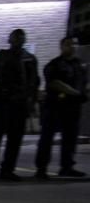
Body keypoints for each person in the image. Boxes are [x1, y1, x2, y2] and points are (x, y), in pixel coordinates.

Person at [0, 29, 40, 182]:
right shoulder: (1, 56)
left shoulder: (30, 59)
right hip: (0, 103)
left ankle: (7, 170)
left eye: (21, 38)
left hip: (19, 104)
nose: (18, 41)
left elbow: (34, 83)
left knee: (15, 141)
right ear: (9, 40)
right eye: (15, 38)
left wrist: (31, 101)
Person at [36, 36, 87, 180]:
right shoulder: (55, 64)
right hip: (55, 107)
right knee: (47, 138)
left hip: (73, 108)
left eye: (75, 44)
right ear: (62, 46)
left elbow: (84, 83)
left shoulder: (80, 65)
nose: (73, 47)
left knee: (70, 138)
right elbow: (54, 82)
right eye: (69, 44)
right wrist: (76, 93)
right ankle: (41, 168)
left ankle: (67, 167)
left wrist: (83, 93)